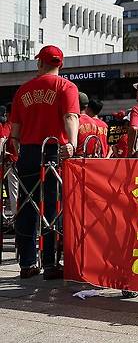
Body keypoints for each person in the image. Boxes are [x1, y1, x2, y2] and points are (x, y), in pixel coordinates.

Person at [9, 45, 79, 279]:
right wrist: (72, 143)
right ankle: (50, 263)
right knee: (52, 206)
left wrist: (18, 146)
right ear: (61, 64)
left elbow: (15, 130)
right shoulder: (67, 87)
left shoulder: (23, 90)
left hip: (29, 151)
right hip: (53, 151)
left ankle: (27, 263)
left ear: (40, 63)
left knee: (26, 206)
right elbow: (70, 116)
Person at [75, 93, 99, 157]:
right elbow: (96, 145)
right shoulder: (94, 122)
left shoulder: (75, 121)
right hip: (90, 159)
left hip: (76, 160)